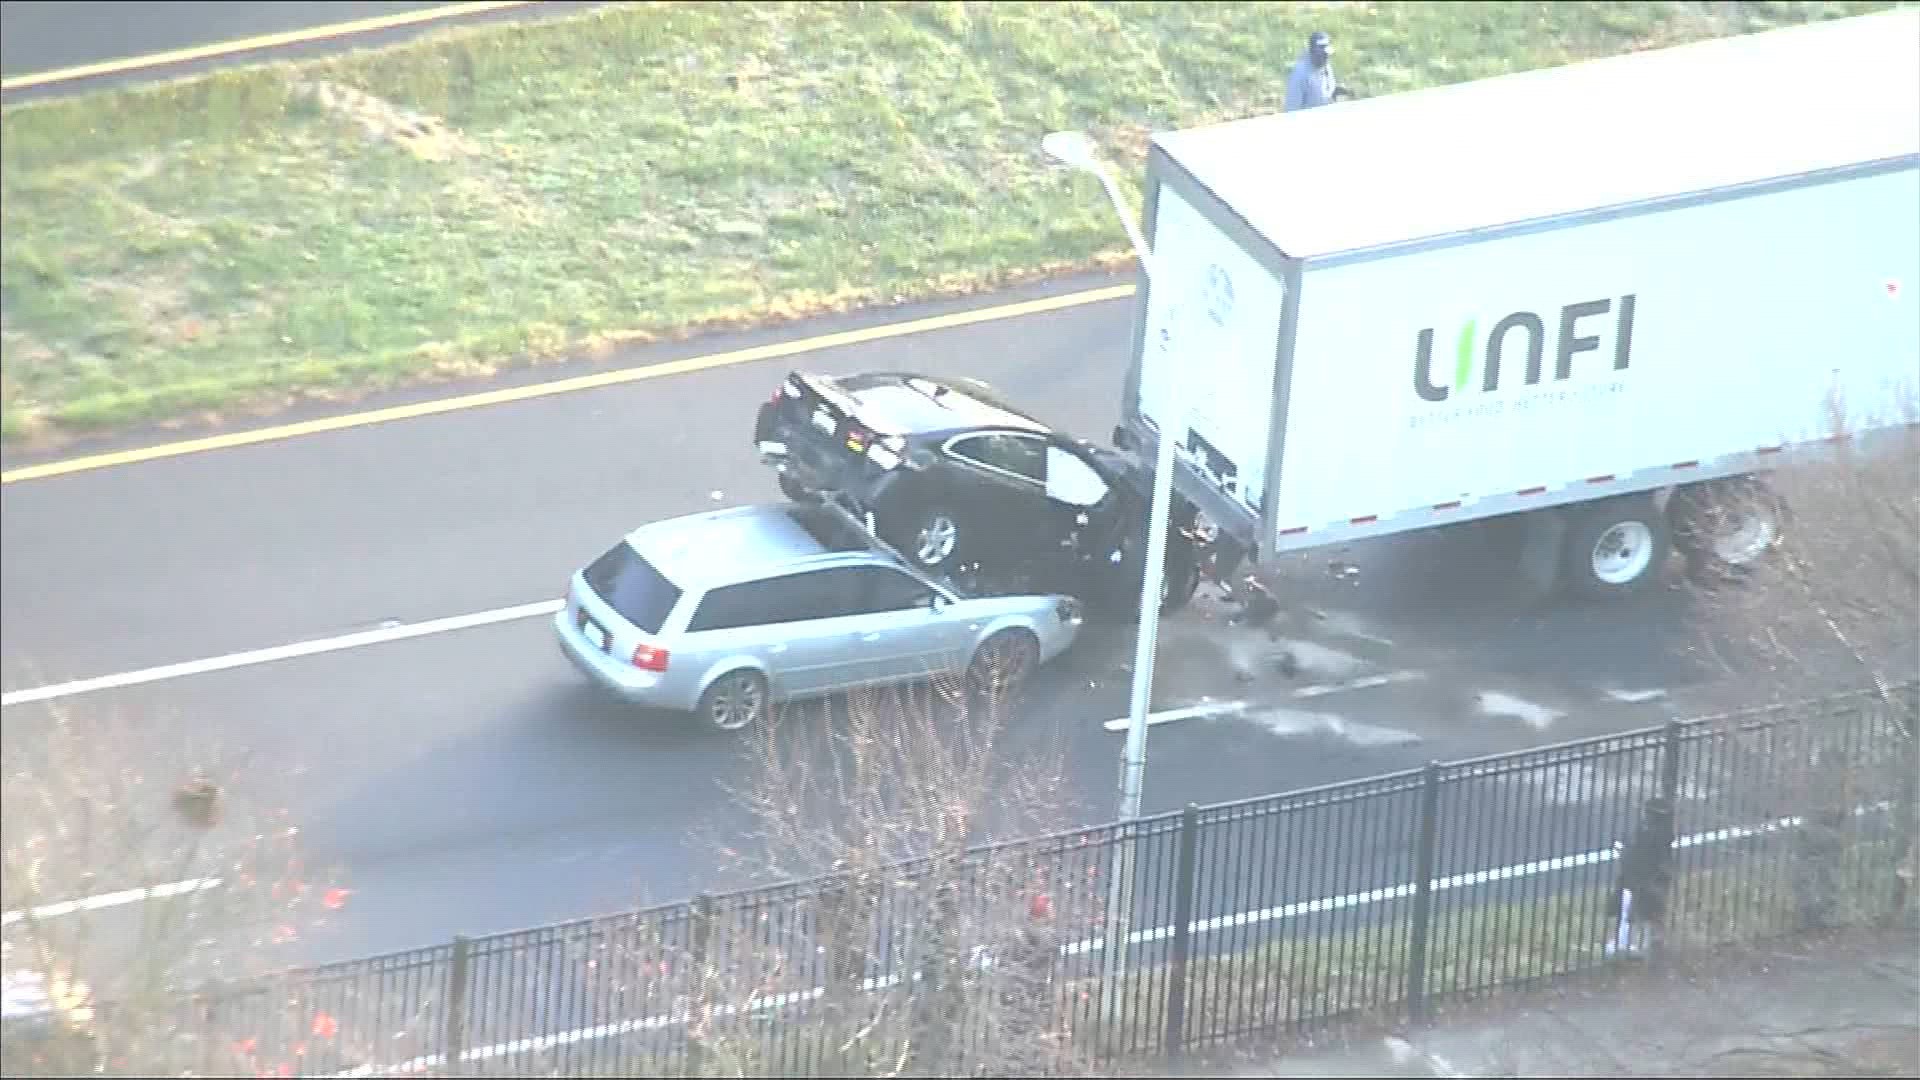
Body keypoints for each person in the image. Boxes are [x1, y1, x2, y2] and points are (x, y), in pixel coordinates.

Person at [1285, 31, 1348, 111]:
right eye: (1322, 55)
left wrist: (1335, 91)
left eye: (1327, 54)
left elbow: (1324, 92)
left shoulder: (1326, 65)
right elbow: (1292, 108)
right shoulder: (1299, 74)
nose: (1326, 58)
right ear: (1312, 52)